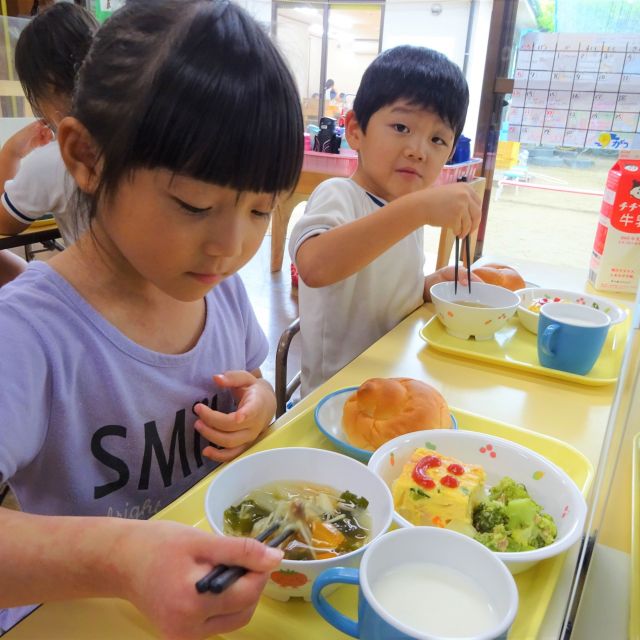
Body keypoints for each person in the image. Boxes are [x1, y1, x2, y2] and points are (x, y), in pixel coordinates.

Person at [0, 0, 303, 638]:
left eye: (260, 210)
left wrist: (261, 403)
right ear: (86, 157)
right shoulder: (27, 335)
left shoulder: (214, 290)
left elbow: (249, 382)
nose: (230, 246)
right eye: (195, 204)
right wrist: (120, 559)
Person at [289, 46, 482, 396]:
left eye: (438, 139)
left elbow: (382, 294)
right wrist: (419, 209)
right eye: (401, 127)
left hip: (396, 379)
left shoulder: (406, 210)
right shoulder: (340, 195)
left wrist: (425, 287)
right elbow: (315, 267)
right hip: (335, 396)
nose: (418, 150)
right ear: (356, 130)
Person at [0, 3, 98, 252]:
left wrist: (11, 152)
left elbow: (4, 223)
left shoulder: (53, 160)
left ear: (50, 87)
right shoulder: (137, 134)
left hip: (92, 290)